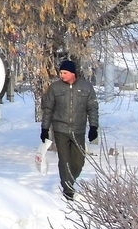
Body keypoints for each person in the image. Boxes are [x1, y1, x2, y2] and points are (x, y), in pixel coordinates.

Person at [40, 59, 99, 200]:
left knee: (79, 161)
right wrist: (45, 128)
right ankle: (68, 189)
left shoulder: (86, 87)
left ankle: (70, 180)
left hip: (78, 130)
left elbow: (92, 108)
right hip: (60, 129)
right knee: (64, 159)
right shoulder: (55, 88)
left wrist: (93, 127)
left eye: (65, 72)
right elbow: (48, 109)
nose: (62, 75)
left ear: (73, 73)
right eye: (61, 72)